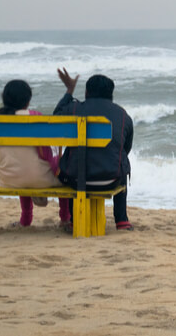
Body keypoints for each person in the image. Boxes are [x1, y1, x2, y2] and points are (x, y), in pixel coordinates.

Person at [0, 79, 71, 227]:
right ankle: (65, 218)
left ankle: (26, 220)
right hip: (42, 179)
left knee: (21, 163)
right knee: (58, 173)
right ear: (28, 101)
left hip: (8, 180)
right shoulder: (36, 117)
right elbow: (51, 148)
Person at [53, 68, 134, 231]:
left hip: (76, 181)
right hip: (112, 179)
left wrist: (69, 91)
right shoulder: (123, 115)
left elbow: (55, 122)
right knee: (121, 161)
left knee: (74, 161)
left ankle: (74, 220)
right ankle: (121, 220)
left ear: (87, 92)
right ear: (111, 94)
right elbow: (126, 148)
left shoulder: (74, 109)